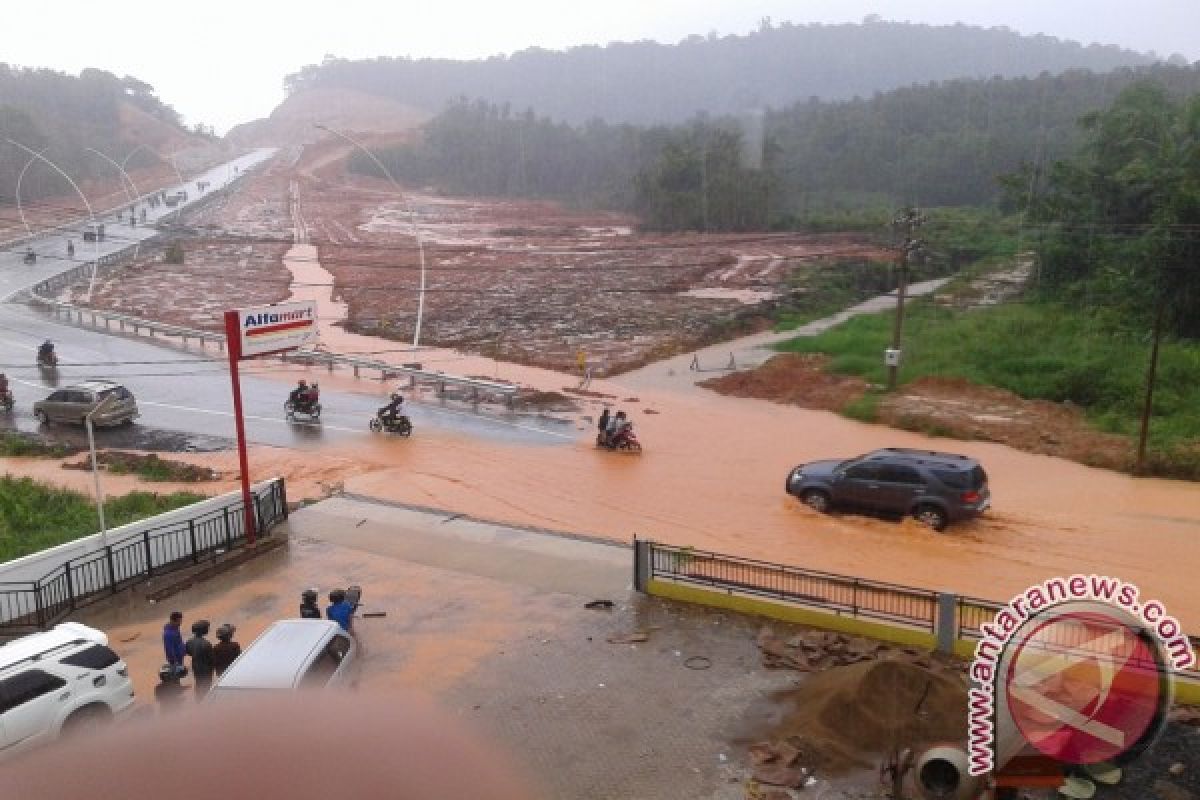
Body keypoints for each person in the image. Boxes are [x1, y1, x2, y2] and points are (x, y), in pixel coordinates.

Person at [185, 619, 215, 695]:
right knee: (207, 686)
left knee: (198, 683)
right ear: (203, 630)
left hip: (195, 666)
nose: (208, 629)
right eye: (207, 628)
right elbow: (211, 659)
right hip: (206, 668)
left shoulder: (189, 642)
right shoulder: (206, 643)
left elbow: (188, 652)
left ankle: (198, 699)